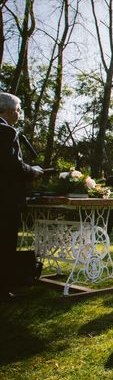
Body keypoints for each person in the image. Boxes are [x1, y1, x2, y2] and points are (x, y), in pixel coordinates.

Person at [0, 92, 44, 301]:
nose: (19, 114)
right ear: (8, 111)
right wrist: (34, 171)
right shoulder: (5, 131)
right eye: (18, 110)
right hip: (5, 200)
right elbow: (12, 165)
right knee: (6, 243)